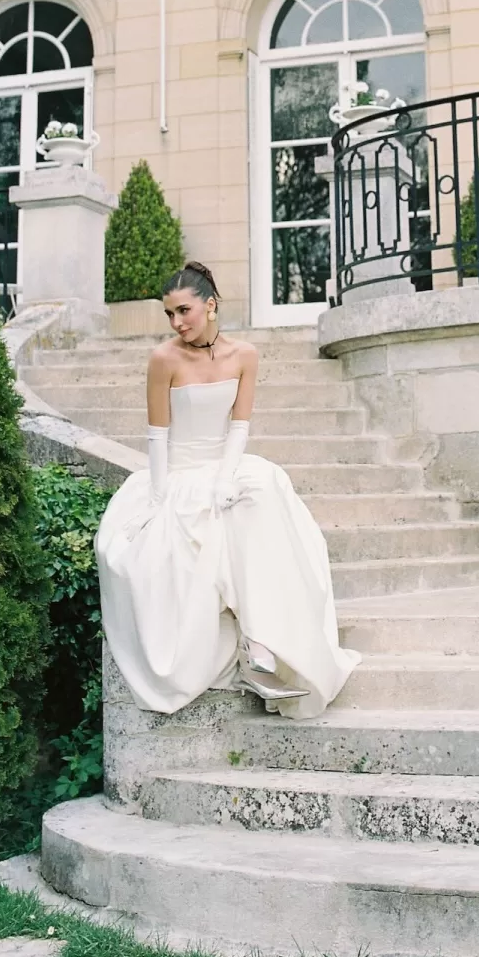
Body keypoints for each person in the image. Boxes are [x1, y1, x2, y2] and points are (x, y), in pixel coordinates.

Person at [94, 261, 360, 718]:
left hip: (225, 465)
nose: (178, 323)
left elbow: (240, 425)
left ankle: (262, 648)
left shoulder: (245, 355)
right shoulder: (164, 359)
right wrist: (159, 499)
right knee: (205, 525)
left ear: (211, 305)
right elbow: (157, 436)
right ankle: (254, 650)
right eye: (170, 315)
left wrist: (226, 476)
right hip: (176, 472)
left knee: (261, 494)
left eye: (184, 310)